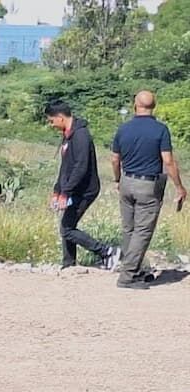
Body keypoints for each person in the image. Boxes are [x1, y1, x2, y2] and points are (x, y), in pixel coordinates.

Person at [110, 91, 188, 290]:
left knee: (129, 229)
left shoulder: (123, 128)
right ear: (154, 106)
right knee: (142, 231)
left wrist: (118, 179)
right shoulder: (160, 130)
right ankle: (127, 276)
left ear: (135, 105)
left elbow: (114, 159)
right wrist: (179, 187)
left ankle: (132, 270)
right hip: (148, 185)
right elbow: (168, 161)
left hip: (127, 181)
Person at [45, 101, 118, 270]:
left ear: (60, 118)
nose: (51, 125)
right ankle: (68, 264)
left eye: (51, 121)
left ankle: (106, 251)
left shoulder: (81, 135)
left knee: (67, 228)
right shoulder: (68, 135)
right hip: (72, 188)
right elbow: (65, 166)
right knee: (66, 225)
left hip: (85, 190)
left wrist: (66, 192)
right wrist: (57, 190)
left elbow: (81, 166)